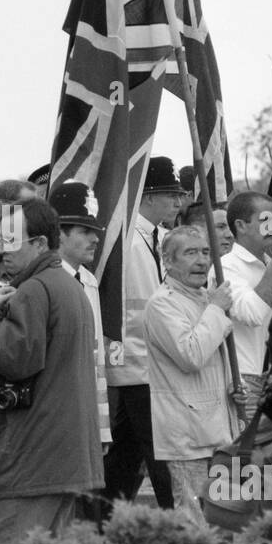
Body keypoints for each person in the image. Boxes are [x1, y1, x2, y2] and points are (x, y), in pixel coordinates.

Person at [0, 198, 103, 544]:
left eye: (13, 238)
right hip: (63, 454)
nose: (2, 247)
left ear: (40, 244)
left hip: (36, 456)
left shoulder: (34, 289)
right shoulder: (67, 285)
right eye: (2, 236)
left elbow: (13, 360)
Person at [144, 224, 243, 528]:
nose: (202, 260)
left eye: (204, 252)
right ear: (168, 261)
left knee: (224, 523)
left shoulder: (205, 299)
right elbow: (191, 356)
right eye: (190, 253)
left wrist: (233, 390)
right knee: (193, 524)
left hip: (218, 432)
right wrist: (216, 310)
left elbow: (211, 363)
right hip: (188, 436)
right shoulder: (162, 304)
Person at [103, 155, 184, 516]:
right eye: (171, 195)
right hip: (139, 369)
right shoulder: (129, 242)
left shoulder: (159, 239)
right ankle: (177, 523)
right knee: (160, 455)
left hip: (152, 369)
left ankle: (99, 520)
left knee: (126, 454)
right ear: (149, 195)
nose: (178, 203)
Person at [218, 192, 272, 417]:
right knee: (240, 451)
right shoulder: (226, 267)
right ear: (241, 226)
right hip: (242, 379)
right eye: (265, 220)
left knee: (265, 451)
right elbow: (252, 314)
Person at [49, 181, 112, 469]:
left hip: (84, 421)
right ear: (59, 234)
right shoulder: (41, 283)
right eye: (85, 231)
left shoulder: (88, 280)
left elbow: (97, 363)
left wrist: (101, 427)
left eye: (95, 231)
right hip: (52, 423)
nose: (95, 239)